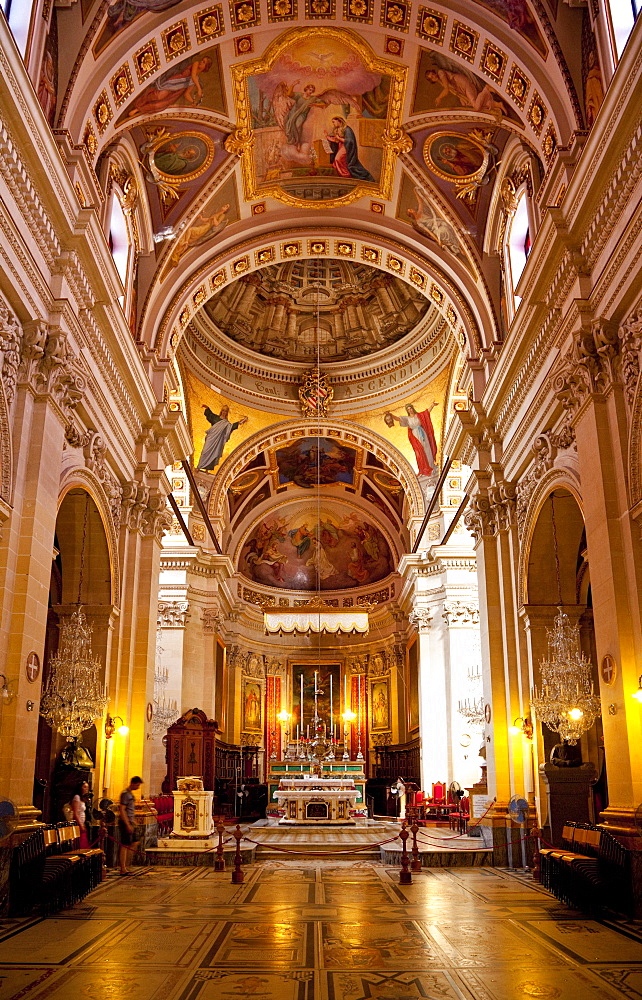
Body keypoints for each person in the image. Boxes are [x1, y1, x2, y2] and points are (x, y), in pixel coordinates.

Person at [384, 402, 439, 477]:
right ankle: (423, 468)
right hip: (415, 435)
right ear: (407, 411)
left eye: (410, 408)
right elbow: (398, 419)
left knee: (427, 448)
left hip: (422, 433)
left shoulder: (419, 415)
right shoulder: (407, 419)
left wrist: (432, 405)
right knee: (419, 451)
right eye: (408, 409)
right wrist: (391, 415)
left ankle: (431, 465)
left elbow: (427, 413)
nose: (410, 410)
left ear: (413, 409)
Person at [196, 404, 248, 471]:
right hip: (211, 437)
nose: (224, 412)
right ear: (221, 411)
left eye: (225, 411)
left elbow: (232, 427)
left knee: (214, 453)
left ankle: (207, 469)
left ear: (227, 413)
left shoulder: (226, 423)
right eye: (223, 410)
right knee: (205, 451)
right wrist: (207, 408)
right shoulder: (216, 418)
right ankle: (199, 466)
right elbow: (210, 415)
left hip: (218, 441)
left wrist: (242, 421)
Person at [324, 117, 375, 182]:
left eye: (334, 122)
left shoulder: (347, 129)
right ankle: (343, 176)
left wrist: (339, 138)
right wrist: (327, 136)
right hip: (341, 147)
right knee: (340, 162)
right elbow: (335, 140)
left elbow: (350, 141)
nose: (333, 124)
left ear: (339, 121)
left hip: (346, 147)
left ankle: (346, 175)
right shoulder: (338, 129)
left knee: (338, 159)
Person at [119, 776, 143, 875]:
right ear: (133, 783)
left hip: (130, 821)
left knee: (134, 843)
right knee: (125, 845)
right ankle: (123, 868)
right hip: (126, 822)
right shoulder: (125, 794)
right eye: (137, 785)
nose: (138, 787)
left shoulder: (129, 794)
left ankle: (127, 865)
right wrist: (127, 823)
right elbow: (122, 809)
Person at [71, 780, 91, 848]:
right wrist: (81, 825)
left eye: (87, 787)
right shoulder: (77, 797)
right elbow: (75, 812)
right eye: (84, 787)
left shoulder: (83, 798)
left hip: (82, 822)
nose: (86, 789)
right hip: (78, 824)